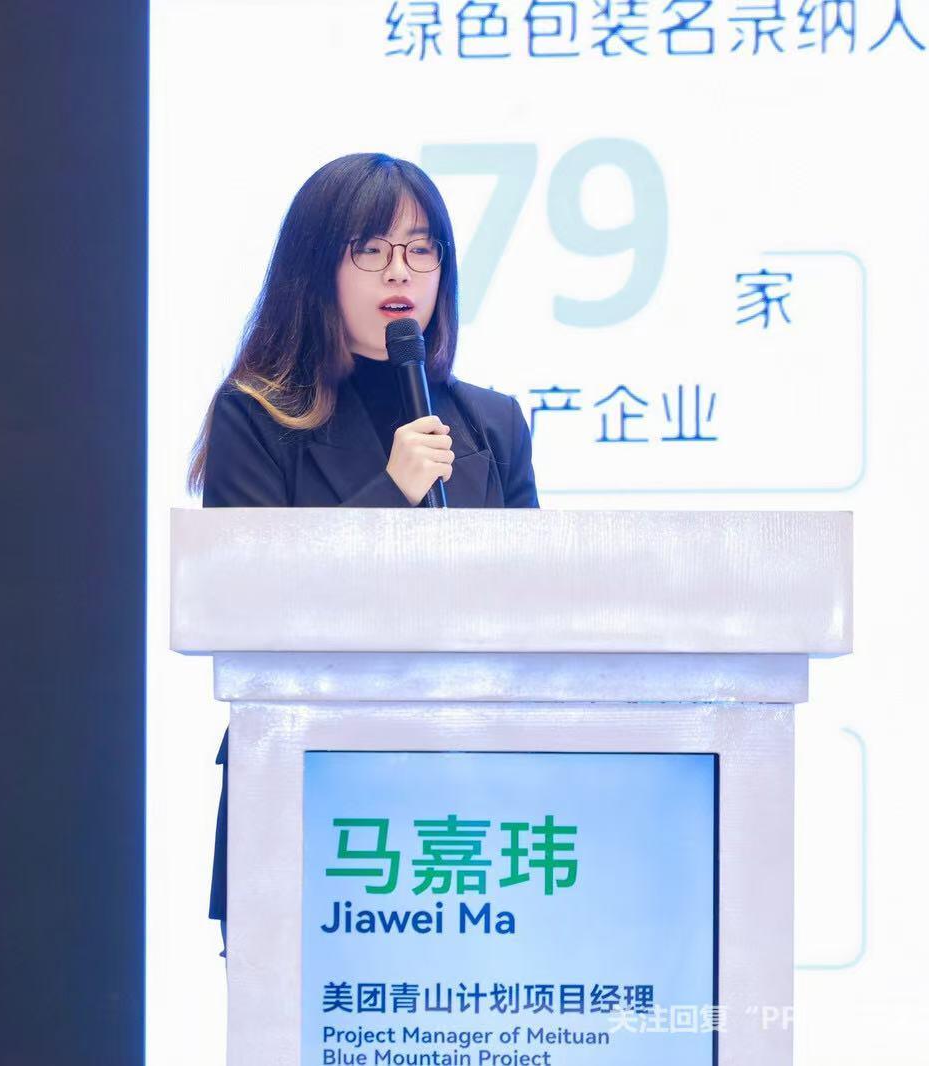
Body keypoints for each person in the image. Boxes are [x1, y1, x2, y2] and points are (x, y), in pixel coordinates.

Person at [187, 153, 541, 956]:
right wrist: (392, 491)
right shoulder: (257, 417)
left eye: (421, 249)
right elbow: (248, 610)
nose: (400, 271)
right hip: (307, 786)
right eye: (371, 249)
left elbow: (535, 611)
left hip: (473, 798)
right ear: (317, 269)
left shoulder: (493, 426)